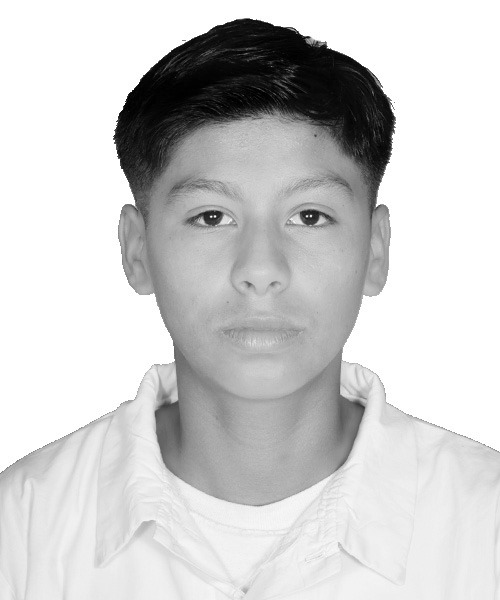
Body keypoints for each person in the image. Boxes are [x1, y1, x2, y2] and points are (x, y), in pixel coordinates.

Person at [0, 17, 498, 599]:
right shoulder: (23, 528)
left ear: (375, 250)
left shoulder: (484, 526)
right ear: (137, 250)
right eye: (212, 217)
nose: (261, 269)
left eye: (309, 216)